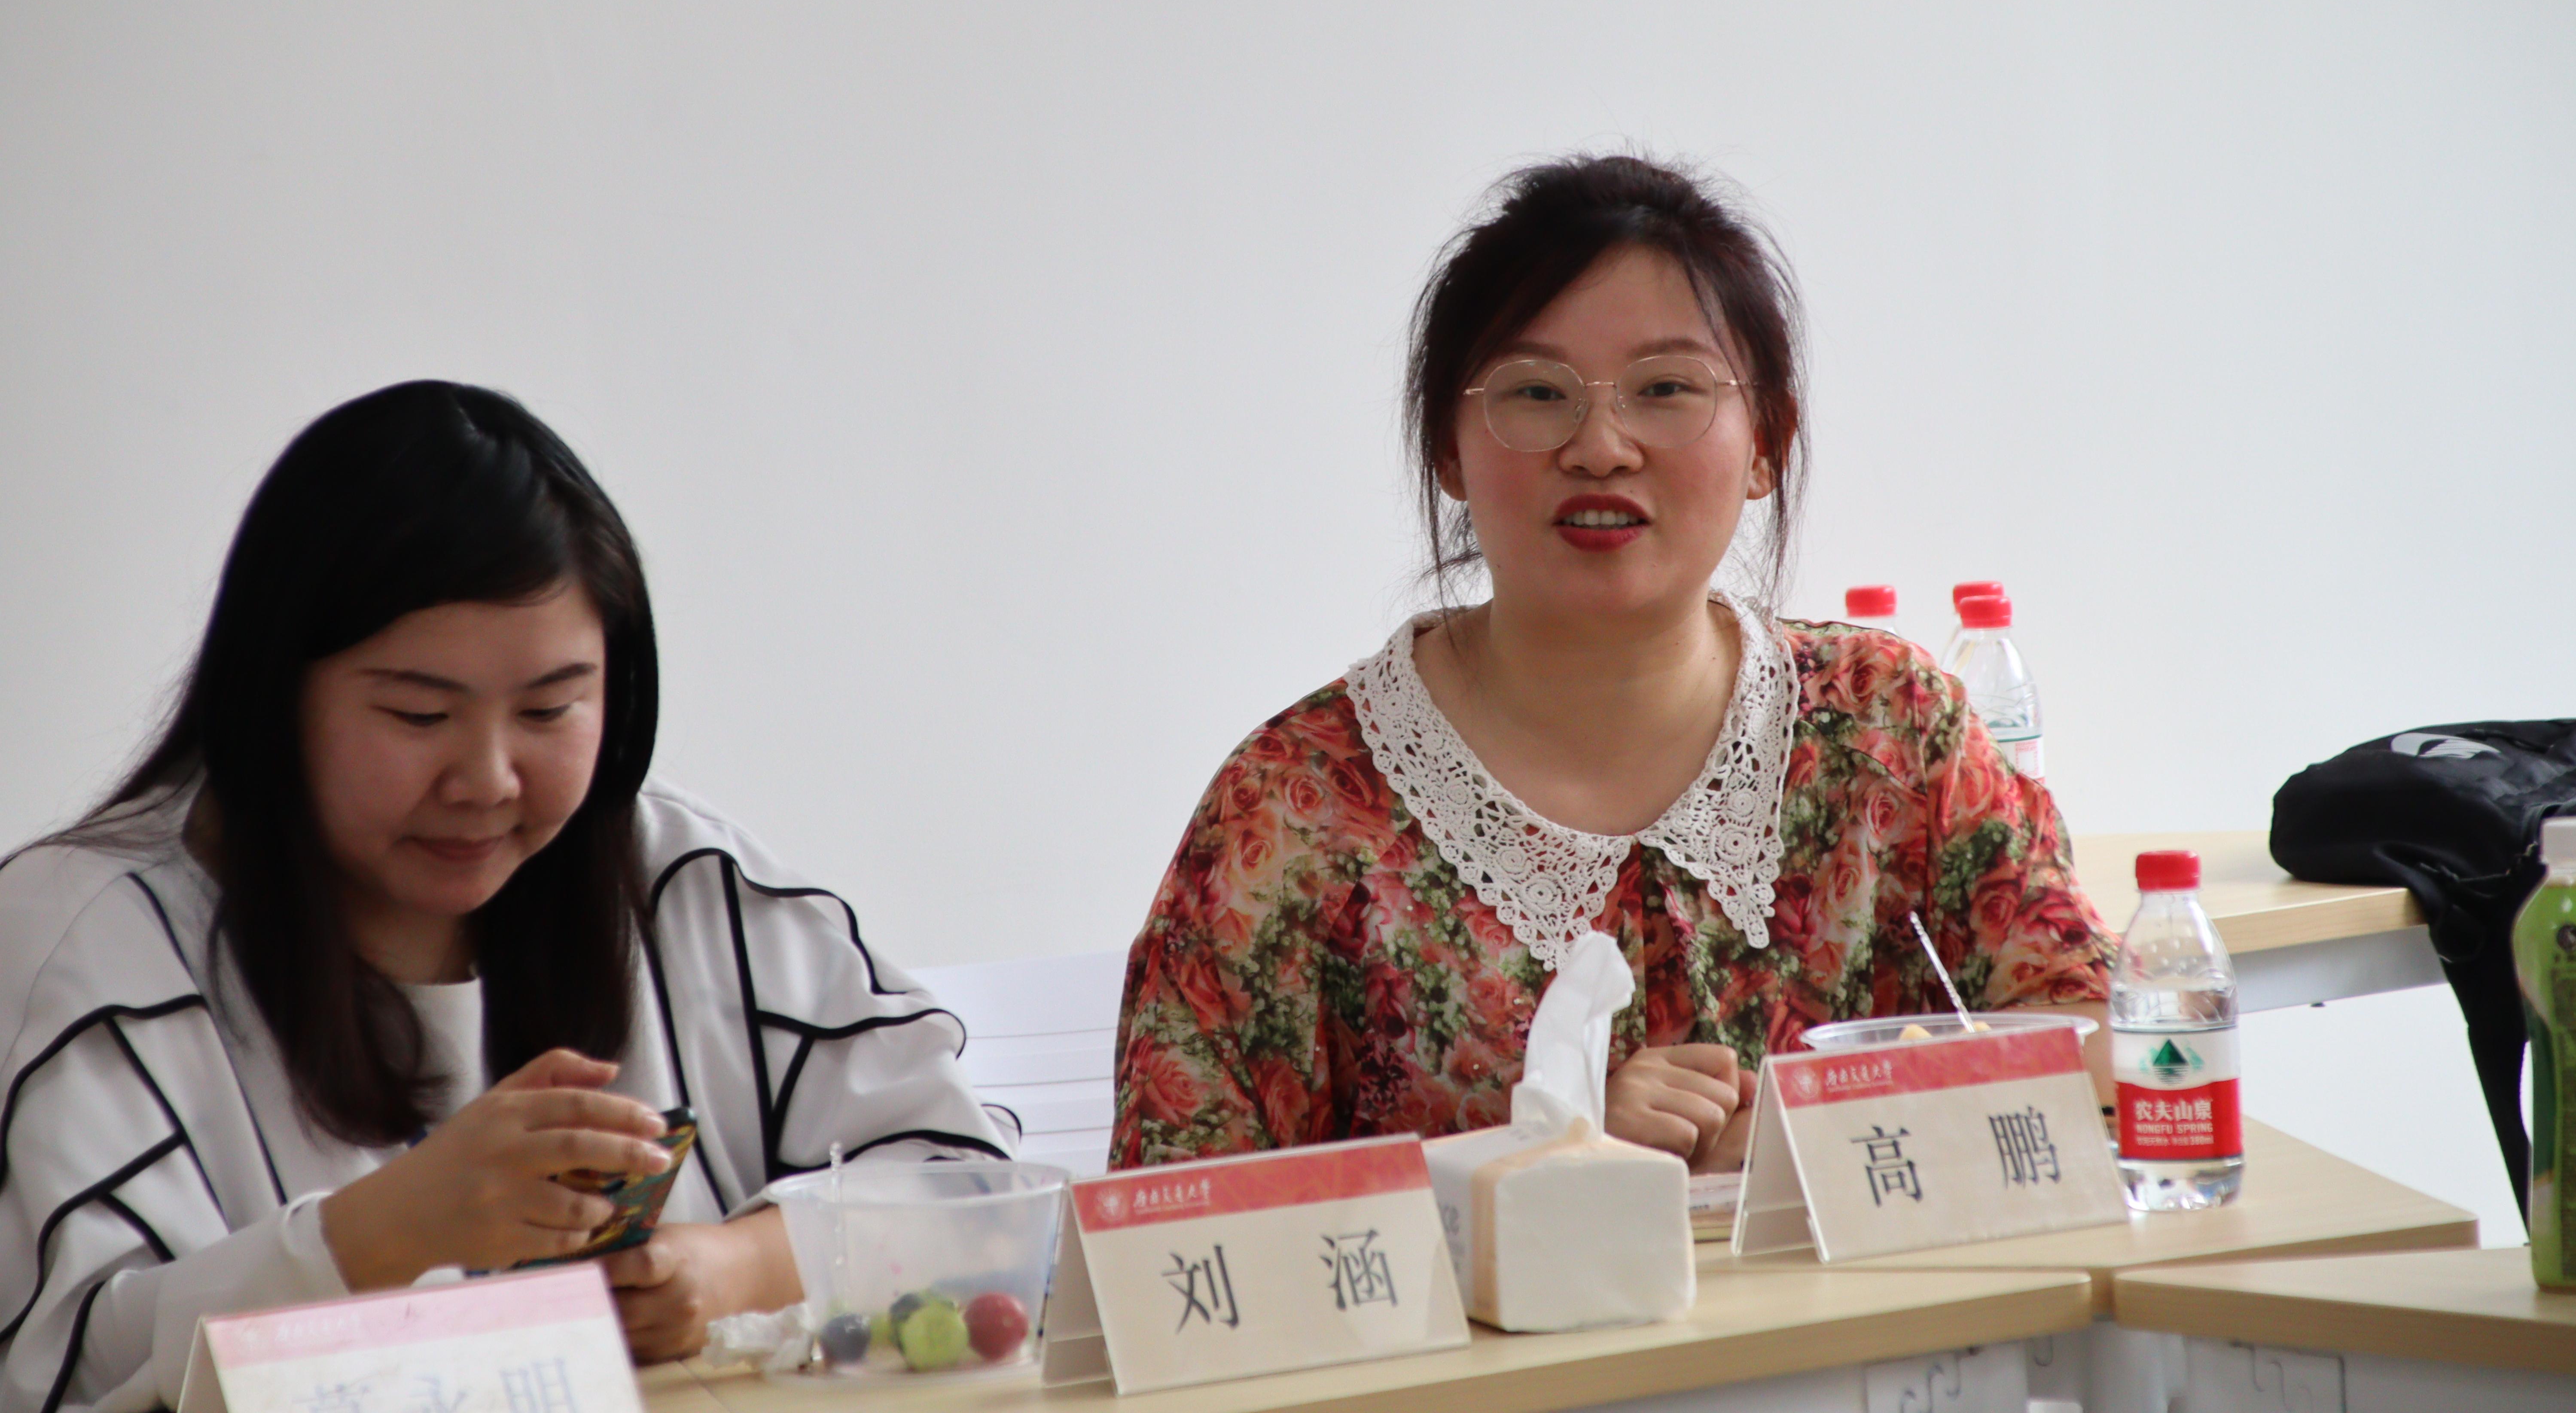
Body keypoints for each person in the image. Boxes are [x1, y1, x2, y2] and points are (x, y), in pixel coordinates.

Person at [0, 383, 1009, 1413]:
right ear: (270, 693)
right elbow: (61, 1368)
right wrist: (370, 1239)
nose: (486, 779)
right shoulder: (82, 939)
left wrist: (730, 1269)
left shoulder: (675, 874)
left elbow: (978, 1190)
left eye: (550, 708)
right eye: (418, 714)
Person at [1111, 153, 2116, 1172]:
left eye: (1666, 388)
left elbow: (2105, 1052)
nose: (1600, 446)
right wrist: (1542, 1159)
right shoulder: (1294, 811)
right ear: (1448, 449)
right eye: (1537, 392)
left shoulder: (1894, 731)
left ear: (1767, 442)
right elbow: (1178, 1216)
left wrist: (1810, 1130)